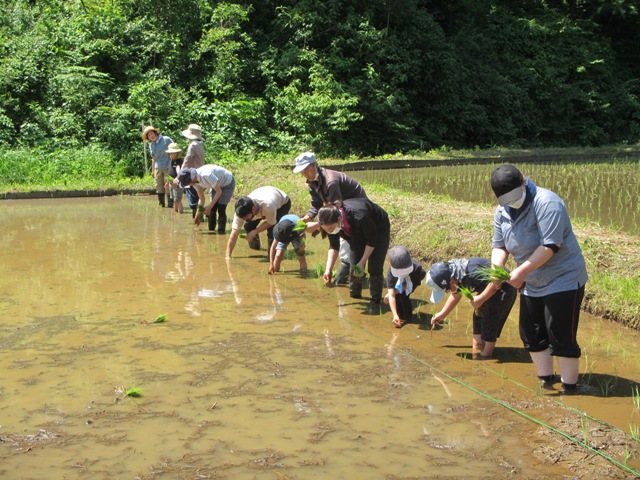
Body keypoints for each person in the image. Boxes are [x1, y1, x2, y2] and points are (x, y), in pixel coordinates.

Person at [490, 164, 588, 393]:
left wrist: (521, 272)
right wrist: (497, 269)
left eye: (515, 197)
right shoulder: (502, 211)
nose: (512, 203)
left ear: (524, 183)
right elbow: (499, 245)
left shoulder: (547, 202)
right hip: (531, 281)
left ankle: (570, 390)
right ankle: (546, 381)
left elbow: (550, 245)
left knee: (560, 334)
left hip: (562, 277)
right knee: (531, 332)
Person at [293, 151, 368, 287]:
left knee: (351, 247)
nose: (304, 174)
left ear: (315, 165)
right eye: (301, 172)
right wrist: (308, 217)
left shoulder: (331, 181)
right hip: (341, 212)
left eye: (306, 170)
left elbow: (336, 209)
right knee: (335, 236)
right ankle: (349, 272)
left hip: (358, 212)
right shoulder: (313, 181)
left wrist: (318, 224)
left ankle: (355, 277)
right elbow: (316, 203)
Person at [427, 258, 517, 358]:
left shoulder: (473, 272)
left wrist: (482, 298)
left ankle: (486, 356)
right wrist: (442, 314)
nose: (447, 292)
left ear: (452, 282)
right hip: (486, 290)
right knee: (478, 317)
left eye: (446, 290)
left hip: (503, 288)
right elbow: (456, 295)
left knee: (489, 323)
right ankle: (477, 349)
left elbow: (496, 281)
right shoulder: (455, 275)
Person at [317, 199, 390, 313]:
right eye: (327, 230)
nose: (330, 231)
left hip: (378, 230)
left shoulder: (360, 215)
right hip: (355, 232)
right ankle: (355, 296)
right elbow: (334, 246)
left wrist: (362, 262)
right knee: (354, 266)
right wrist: (328, 269)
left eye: (330, 228)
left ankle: (375, 302)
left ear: (339, 219)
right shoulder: (331, 224)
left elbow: (372, 240)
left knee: (374, 267)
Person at [226, 186, 291, 258]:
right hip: (263, 199)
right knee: (248, 225)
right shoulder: (240, 212)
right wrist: (228, 255)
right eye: (243, 218)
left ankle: (273, 256)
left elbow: (270, 223)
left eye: (246, 217)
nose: (244, 219)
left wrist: (255, 232)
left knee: (272, 231)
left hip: (282, 204)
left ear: (253, 209)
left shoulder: (268, 206)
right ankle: (255, 248)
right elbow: (234, 234)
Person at [177, 165, 236, 231]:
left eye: (186, 183)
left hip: (227, 183)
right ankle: (211, 231)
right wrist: (198, 215)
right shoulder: (195, 183)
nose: (187, 185)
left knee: (221, 208)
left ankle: (221, 232)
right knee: (212, 209)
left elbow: (219, 192)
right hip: (215, 185)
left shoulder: (206, 175)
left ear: (191, 180)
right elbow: (202, 199)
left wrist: (209, 207)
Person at [384, 246, 427, 328]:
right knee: (397, 300)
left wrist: (390, 294)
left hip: (414, 277)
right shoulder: (391, 273)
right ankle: (399, 316)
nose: (402, 273)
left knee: (404, 297)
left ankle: (408, 317)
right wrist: (395, 315)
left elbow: (408, 286)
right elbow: (392, 295)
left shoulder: (417, 268)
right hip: (399, 280)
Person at [178, 124, 205, 218]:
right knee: (199, 197)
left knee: (193, 199)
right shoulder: (200, 144)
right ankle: (199, 217)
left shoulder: (192, 146)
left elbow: (187, 160)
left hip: (193, 174)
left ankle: (196, 217)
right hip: (200, 173)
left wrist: (180, 175)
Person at [142, 126, 173, 207]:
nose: (151, 136)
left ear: (155, 133)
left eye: (151, 133)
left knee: (168, 186)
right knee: (159, 186)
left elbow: (174, 151)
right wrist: (153, 171)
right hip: (157, 168)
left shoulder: (166, 139)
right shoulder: (151, 145)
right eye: (149, 135)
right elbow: (153, 158)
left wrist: (173, 166)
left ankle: (170, 205)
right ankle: (161, 204)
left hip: (167, 167)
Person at [165, 142, 184, 213]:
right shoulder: (171, 161)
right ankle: (176, 212)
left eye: (174, 153)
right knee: (174, 199)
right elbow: (170, 172)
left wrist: (178, 179)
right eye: (171, 153)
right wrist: (167, 183)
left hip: (177, 182)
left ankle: (180, 212)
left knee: (178, 200)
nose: (172, 154)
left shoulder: (178, 161)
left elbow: (178, 170)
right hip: (171, 181)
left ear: (177, 153)